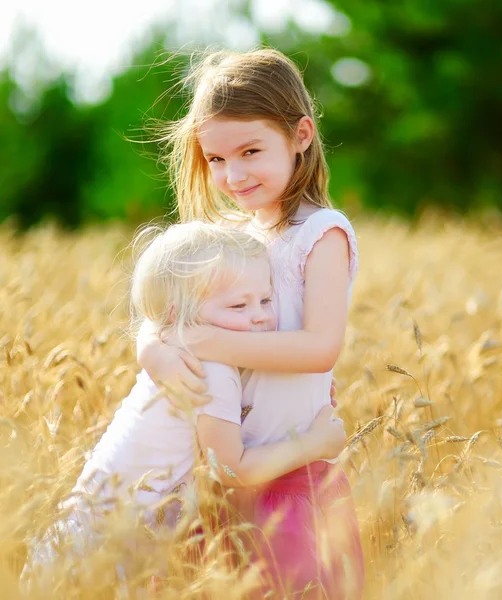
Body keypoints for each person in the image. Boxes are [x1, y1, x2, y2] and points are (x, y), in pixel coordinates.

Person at [138, 48, 365, 598]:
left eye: (250, 151)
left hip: (290, 474)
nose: (232, 174)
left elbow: (319, 349)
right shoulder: (233, 239)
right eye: (215, 160)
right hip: (219, 477)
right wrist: (155, 350)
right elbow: (163, 312)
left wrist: (209, 342)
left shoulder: (321, 233)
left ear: (301, 135)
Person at [21, 221, 346, 593]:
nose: (260, 315)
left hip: (94, 537)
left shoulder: (181, 347)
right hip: (102, 553)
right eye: (240, 304)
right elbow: (232, 468)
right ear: (180, 313)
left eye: (266, 299)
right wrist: (317, 443)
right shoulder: (210, 370)